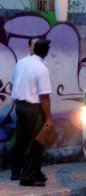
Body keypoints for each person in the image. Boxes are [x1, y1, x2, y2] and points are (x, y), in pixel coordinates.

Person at [10, 39, 53, 187]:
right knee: (36, 142)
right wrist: (48, 117)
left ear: (34, 49)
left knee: (25, 141)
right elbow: (44, 96)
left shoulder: (21, 63)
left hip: (20, 106)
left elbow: (12, 83)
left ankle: (34, 172)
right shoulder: (42, 69)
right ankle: (28, 177)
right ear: (46, 52)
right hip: (33, 108)